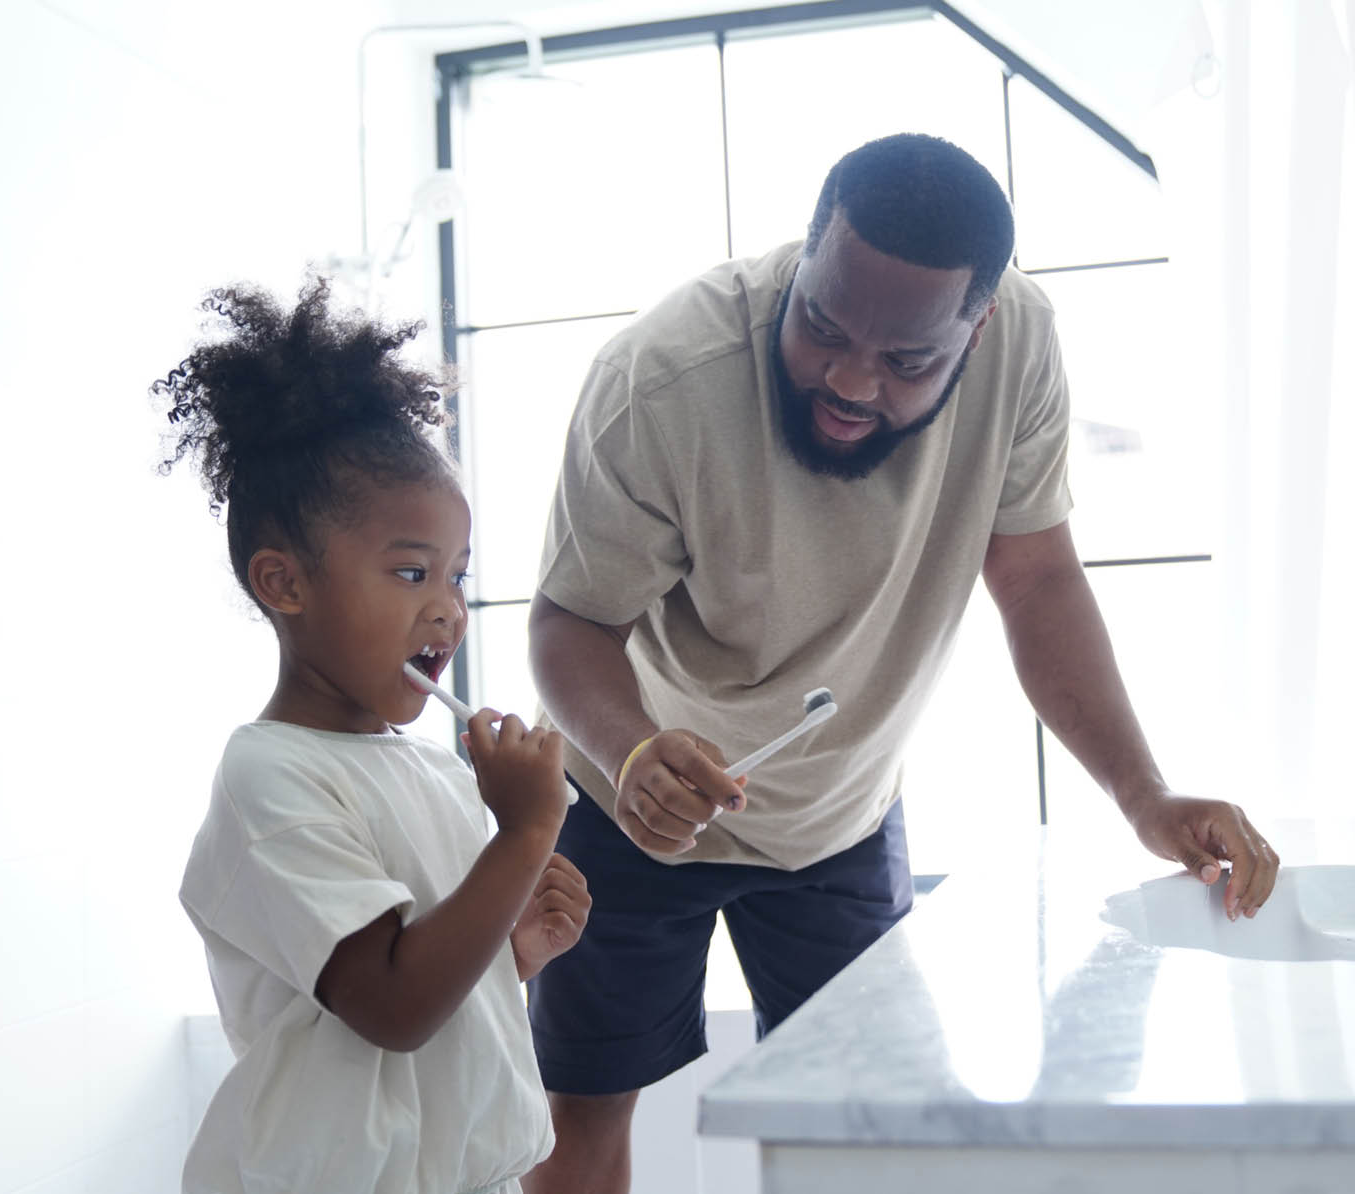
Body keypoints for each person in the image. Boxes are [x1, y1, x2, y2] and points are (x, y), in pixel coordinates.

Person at [522, 132, 1280, 1192]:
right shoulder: (658, 378)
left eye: (906, 361)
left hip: (839, 811)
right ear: (803, 259)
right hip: (629, 795)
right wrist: (633, 749)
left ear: (978, 325)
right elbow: (567, 623)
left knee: (873, 1135)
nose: (847, 377)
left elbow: (1038, 582)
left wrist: (1142, 795)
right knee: (581, 1119)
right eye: (820, 325)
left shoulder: (1022, 344)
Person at [157, 279, 591, 1194]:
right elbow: (391, 1007)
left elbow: (435, 985)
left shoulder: (430, 770)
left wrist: (513, 955)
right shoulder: (267, 777)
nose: (447, 608)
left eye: (458, 576)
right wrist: (520, 837)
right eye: (409, 571)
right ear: (284, 584)